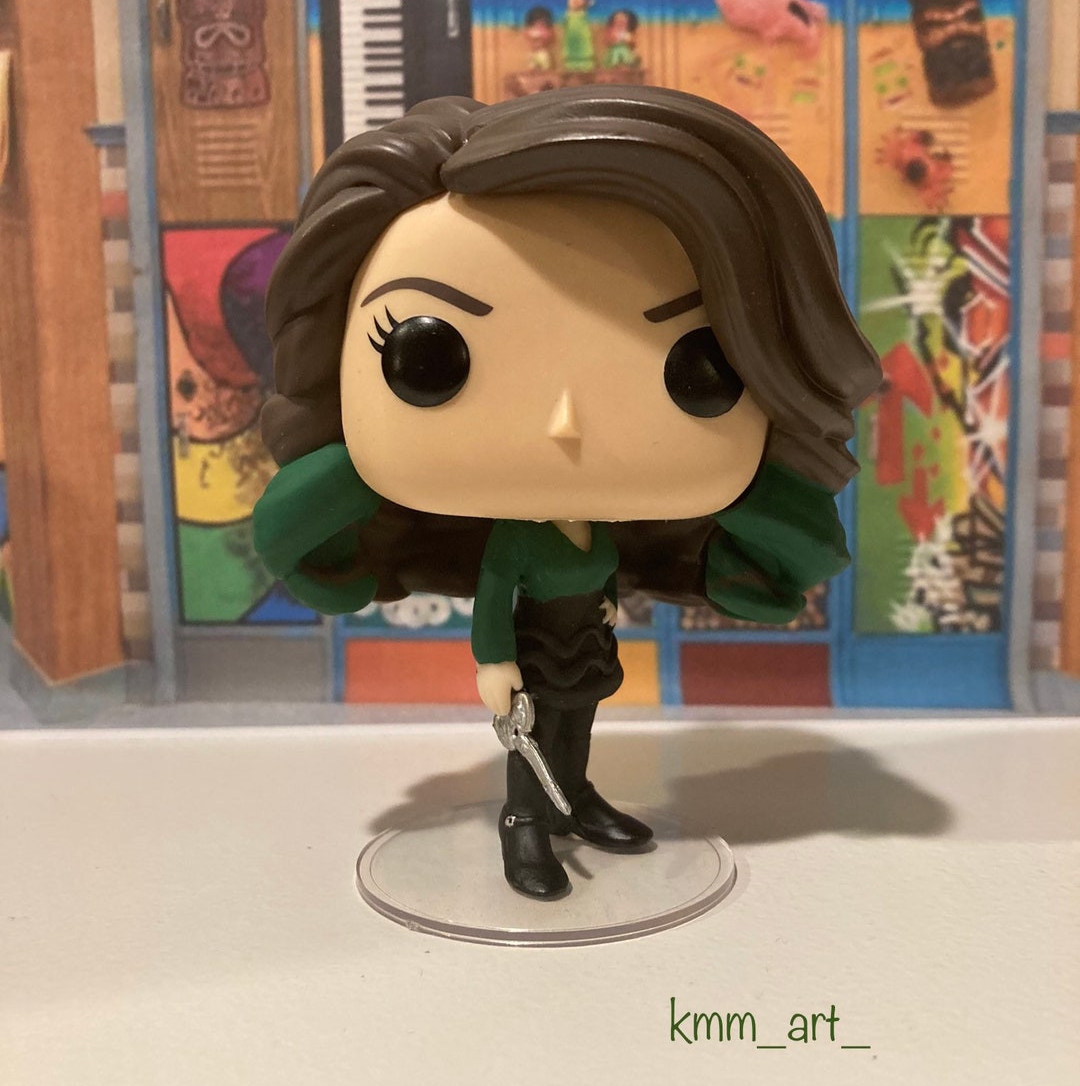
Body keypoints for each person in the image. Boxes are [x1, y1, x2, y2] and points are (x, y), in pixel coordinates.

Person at [254, 87, 881, 900]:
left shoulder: (602, 527)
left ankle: (576, 797)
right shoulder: (517, 537)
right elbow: (495, 596)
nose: (565, 424)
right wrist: (493, 661)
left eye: (699, 367)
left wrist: (608, 605)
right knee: (530, 733)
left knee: (576, 720)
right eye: (428, 355)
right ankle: (525, 818)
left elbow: (606, 567)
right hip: (531, 652)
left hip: (584, 640)